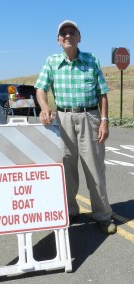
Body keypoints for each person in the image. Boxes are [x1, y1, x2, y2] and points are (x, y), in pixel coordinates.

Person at [35, 20, 117, 235]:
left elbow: (102, 93)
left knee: (95, 169)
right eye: (63, 32)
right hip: (63, 119)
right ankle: (70, 211)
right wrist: (44, 108)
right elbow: (41, 89)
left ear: (79, 37)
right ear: (58, 40)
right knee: (66, 170)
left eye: (72, 32)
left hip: (89, 116)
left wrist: (105, 121)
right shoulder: (51, 62)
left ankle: (102, 215)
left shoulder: (91, 60)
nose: (68, 35)